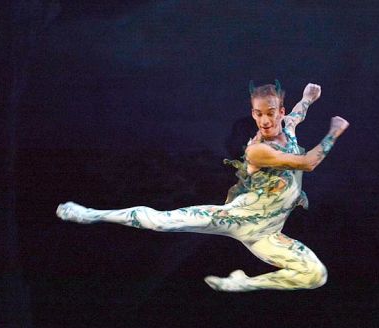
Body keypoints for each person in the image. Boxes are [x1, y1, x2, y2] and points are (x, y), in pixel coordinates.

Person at [56, 81, 349, 291]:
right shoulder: (258, 150)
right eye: (258, 114)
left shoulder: (288, 127)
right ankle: (91, 214)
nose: (264, 120)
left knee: (315, 275)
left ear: (280, 112)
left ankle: (243, 283)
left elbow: (297, 114)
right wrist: (334, 132)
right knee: (162, 221)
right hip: (236, 219)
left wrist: (307, 98)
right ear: (253, 114)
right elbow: (308, 163)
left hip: (268, 234)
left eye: (270, 113)